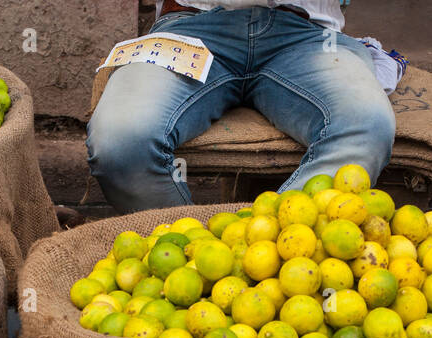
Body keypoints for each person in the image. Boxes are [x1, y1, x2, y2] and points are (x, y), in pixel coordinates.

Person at [87, 2, 396, 212]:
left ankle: (270, 249)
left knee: (366, 126)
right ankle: (192, 253)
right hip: (189, 27)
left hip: (309, 35)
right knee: (121, 141)